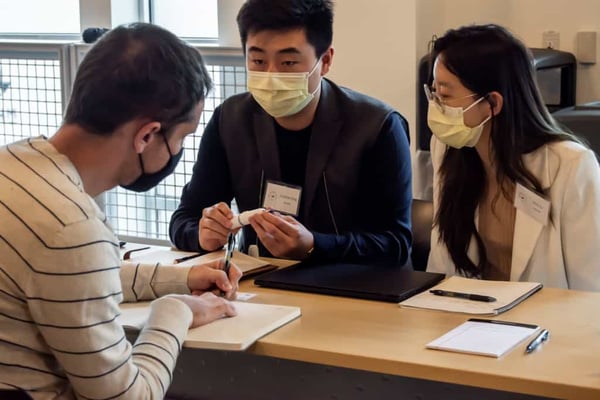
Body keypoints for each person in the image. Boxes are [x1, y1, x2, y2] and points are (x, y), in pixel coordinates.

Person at [0, 23, 243, 399]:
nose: (176, 152)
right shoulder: (71, 227)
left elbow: (74, 276)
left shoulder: (14, 167)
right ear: (146, 136)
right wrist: (174, 311)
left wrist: (181, 278)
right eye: (180, 138)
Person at [169, 0, 412, 266]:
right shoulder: (230, 119)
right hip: (259, 290)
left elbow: (396, 245)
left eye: (288, 62)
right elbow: (185, 219)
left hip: (354, 292)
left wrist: (314, 246)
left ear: (326, 60)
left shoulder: (378, 126)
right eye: (258, 61)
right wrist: (203, 235)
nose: (271, 76)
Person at [425, 24, 600, 291]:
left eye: (445, 95)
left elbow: (590, 290)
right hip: (466, 322)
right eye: (434, 92)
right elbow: (441, 267)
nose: (436, 106)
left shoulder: (571, 166)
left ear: (493, 103)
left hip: (549, 326)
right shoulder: (447, 149)